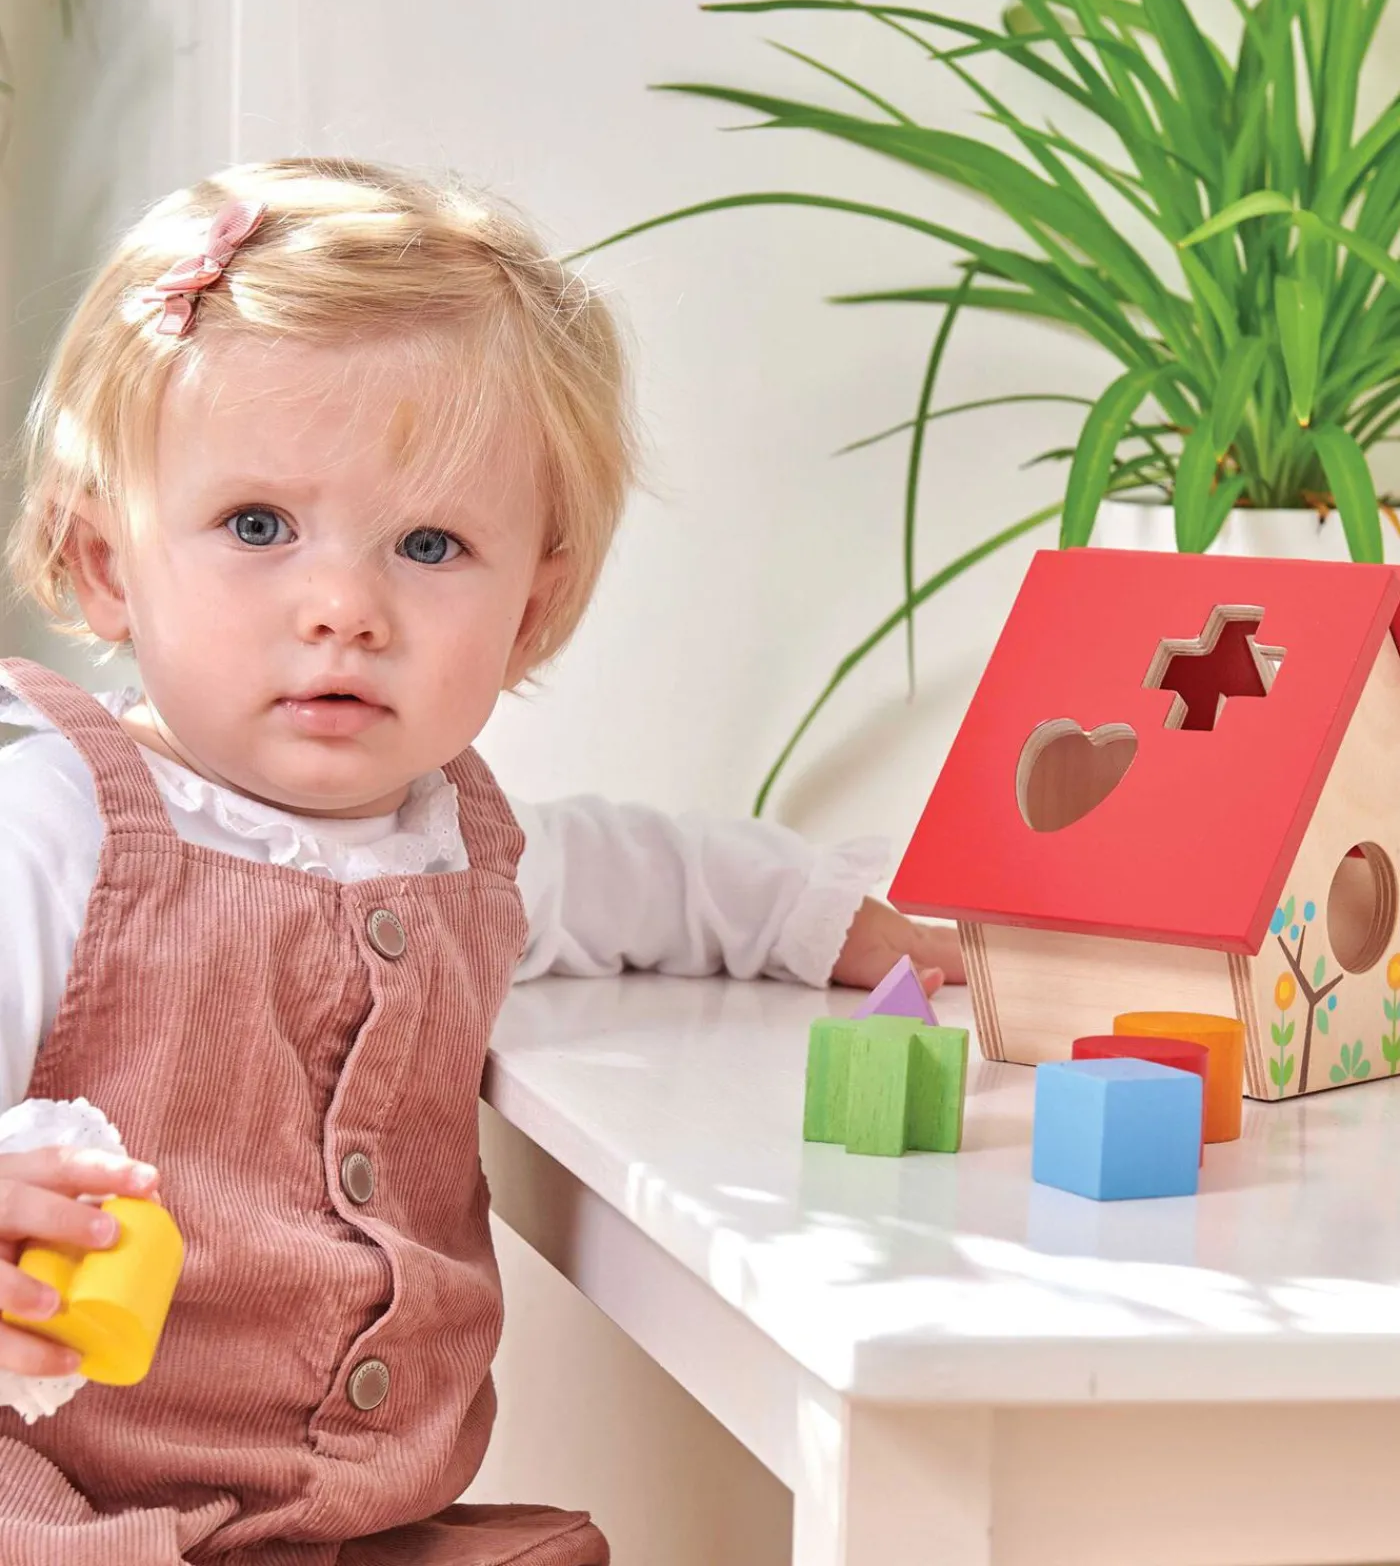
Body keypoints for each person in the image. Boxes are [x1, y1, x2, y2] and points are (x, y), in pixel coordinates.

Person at [0, 157, 963, 1564]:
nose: (344, 607)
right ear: (104, 566)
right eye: (257, 528)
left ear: (530, 613)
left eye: (431, 544)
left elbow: (635, 880)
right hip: (68, 1501)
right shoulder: (57, 826)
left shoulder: (454, 845)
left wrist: (833, 919)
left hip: (346, 1515)